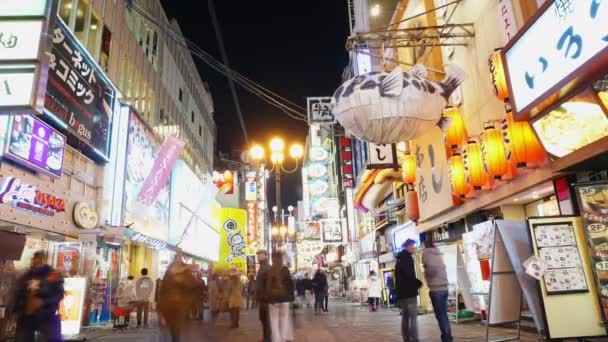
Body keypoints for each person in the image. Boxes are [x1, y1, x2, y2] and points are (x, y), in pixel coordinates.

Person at [13, 251, 64, 342]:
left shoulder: (53, 275)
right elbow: (19, 294)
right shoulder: (27, 275)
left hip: (45, 317)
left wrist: (43, 302)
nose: (37, 261)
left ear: (44, 260)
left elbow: (59, 295)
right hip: (26, 318)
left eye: (40, 259)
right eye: (35, 259)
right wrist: (16, 311)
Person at [158, 257, 200, 342]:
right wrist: (160, 310)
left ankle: (175, 339)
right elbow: (162, 291)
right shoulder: (169, 274)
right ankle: (175, 338)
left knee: (176, 328)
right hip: (169, 305)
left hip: (180, 305)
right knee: (172, 327)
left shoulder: (185, 273)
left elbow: (194, 286)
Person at [422, 240, 453, 342]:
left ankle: (446, 338)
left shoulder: (427, 254)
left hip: (436, 289)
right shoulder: (437, 253)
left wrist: (428, 278)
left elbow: (431, 269)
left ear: (425, 246)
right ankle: (448, 336)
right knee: (443, 314)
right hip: (444, 288)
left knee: (440, 315)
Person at [395, 239, 422, 342]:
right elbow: (409, 275)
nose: (413, 248)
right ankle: (414, 338)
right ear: (407, 246)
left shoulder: (399, 259)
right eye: (412, 246)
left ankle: (406, 338)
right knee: (413, 318)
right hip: (409, 293)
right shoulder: (407, 258)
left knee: (405, 317)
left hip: (402, 294)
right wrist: (418, 283)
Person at [264, 251, 294, 342]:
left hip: (273, 300)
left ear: (272, 259)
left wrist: (268, 298)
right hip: (285, 299)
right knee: (284, 319)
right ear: (281, 259)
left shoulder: (270, 270)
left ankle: (276, 340)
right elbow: (290, 284)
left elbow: (267, 286)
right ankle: (283, 338)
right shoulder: (285, 269)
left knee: (274, 321)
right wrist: (291, 296)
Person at [255, 249, 272, 342]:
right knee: (263, 320)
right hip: (262, 299)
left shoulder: (267, 267)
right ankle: (265, 337)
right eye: (258, 255)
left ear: (265, 256)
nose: (258, 257)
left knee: (267, 321)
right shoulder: (262, 267)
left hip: (266, 300)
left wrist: (266, 296)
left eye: (260, 255)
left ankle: (268, 339)